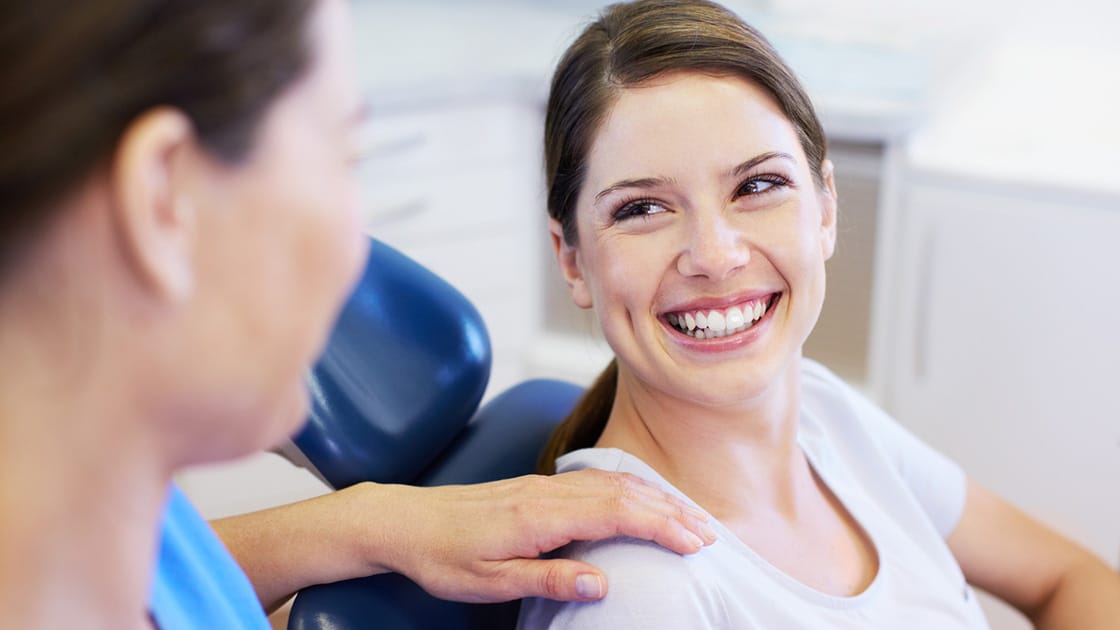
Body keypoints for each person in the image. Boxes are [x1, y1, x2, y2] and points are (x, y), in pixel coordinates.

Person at [0, 0, 719, 627]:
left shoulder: (119, 522)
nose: (358, 254)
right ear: (164, 201)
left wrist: (370, 523)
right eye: (341, 159)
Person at [518, 1, 1120, 628]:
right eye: (642, 209)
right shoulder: (640, 594)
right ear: (572, 260)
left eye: (756, 187)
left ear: (825, 207)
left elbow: (1068, 578)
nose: (716, 257)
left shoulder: (826, 418)